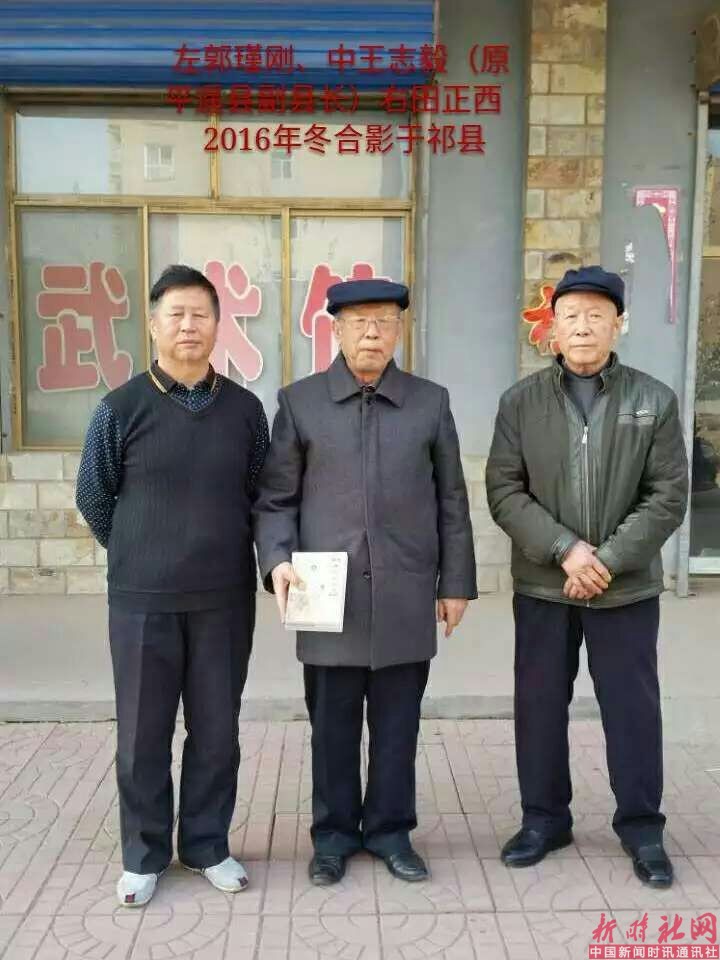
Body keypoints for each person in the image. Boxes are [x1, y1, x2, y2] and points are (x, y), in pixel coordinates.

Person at [253, 278, 476, 886]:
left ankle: (390, 832)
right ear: (336, 330)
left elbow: (452, 500)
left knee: (398, 726)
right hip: (327, 596)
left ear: (399, 330)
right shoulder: (301, 403)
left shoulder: (429, 403)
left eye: (383, 321)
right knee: (331, 729)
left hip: (405, 593)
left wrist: (455, 583)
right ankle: (332, 837)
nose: (372, 333)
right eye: (358, 322)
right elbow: (276, 498)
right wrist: (277, 560)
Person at [486, 265, 688, 888]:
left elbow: (668, 494)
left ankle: (642, 827)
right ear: (553, 326)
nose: (582, 326)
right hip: (544, 586)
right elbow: (504, 489)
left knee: (632, 709)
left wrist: (605, 561)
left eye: (596, 315)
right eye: (570, 315)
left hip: (625, 590)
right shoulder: (520, 402)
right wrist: (565, 550)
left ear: (618, 324)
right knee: (539, 707)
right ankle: (544, 820)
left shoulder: (653, 399)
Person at [76, 264, 269, 907]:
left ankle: (208, 845)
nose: (189, 325)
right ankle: (144, 854)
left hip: (223, 600)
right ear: (154, 325)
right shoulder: (119, 408)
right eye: (176, 314)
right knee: (142, 733)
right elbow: (94, 496)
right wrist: (142, 552)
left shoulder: (245, 411)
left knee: (217, 730)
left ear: (218, 325)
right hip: (142, 603)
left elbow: (258, 494)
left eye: (201, 314)